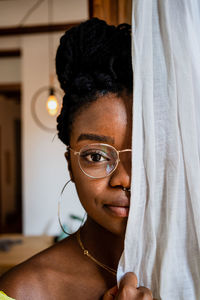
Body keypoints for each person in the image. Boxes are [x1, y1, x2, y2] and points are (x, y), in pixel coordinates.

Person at [0, 18, 154, 299]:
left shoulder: (188, 269)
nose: (124, 178)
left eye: (146, 154)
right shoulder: (21, 291)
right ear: (70, 165)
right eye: (96, 155)